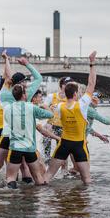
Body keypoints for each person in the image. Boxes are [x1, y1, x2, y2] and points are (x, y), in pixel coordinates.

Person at [0, 50, 43, 185]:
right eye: (25, 82)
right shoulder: (27, 93)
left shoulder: (3, 92)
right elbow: (39, 79)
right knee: (25, 166)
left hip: (4, 132)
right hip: (22, 135)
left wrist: (6, 59)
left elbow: (8, 75)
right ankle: (27, 192)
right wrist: (27, 64)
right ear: (23, 84)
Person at [44, 51, 97, 185]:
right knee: (87, 179)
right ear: (75, 94)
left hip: (64, 144)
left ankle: (41, 199)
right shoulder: (82, 105)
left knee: (48, 175)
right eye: (78, 92)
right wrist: (92, 63)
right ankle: (85, 203)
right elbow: (91, 84)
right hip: (79, 145)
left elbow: (49, 111)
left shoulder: (59, 107)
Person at [4, 85, 54, 189]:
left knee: (10, 178)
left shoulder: (7, 108)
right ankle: (38, 198)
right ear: (23, 95)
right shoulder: (32, 107)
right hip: (30, 148)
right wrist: (46, 107)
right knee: (38, 178)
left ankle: (11, 200)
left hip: (15, 147)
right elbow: (50, 115)